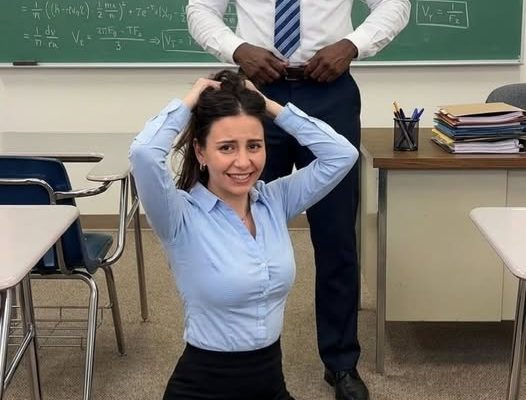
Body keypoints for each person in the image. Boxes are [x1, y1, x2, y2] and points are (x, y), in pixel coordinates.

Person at [186, 2, 410, 399]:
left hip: (329, 89)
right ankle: (237, 357)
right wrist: (237, 49)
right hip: (256, 92)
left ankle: (341, 363)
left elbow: (396, 4)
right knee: (236, 232)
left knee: (337, 237)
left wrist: (352, 45)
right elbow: (200, 9)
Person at [129, 70, 358, 400]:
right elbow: (144, 153)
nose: (243, 162)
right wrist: (190, 100)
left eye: (254, 145)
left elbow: (342, 154)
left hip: (270, 384)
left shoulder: (275, 201)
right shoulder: (179, 214)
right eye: (226, 147)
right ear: (201, 152)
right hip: (202, 389)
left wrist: (268, 105)